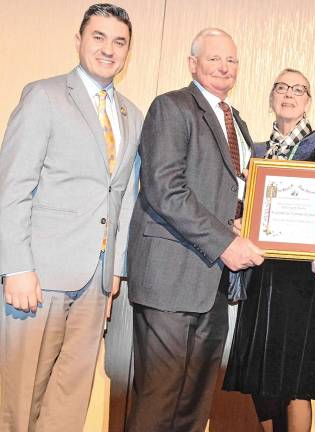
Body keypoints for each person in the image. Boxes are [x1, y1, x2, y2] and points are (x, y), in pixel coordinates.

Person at [0, 4, 141, 431]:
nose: (108, 49)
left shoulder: (130, 115)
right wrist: (17, 267)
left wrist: (115, 269)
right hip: (39, 277)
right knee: (19, 394)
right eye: (98, 37)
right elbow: (12, 187)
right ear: (78, 40)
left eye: (119, 42)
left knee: (71, 396)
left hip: (96, 282)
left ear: (127, 52)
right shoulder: (43, 95)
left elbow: (125, 198)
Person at [125, 28, 264, 432]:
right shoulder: (171, 107)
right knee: (159, 401)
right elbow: (165, 189)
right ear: (192, 64)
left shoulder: (236, 120)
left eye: (231, 61)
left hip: (212, 282)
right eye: (214, 59)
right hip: (171, 278)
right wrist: (226, 240)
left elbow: (230, 190)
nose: (224, 67)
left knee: (194, 403)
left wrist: (242, 222)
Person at [222, 68, 315, 432]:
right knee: (260, 374)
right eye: (281, 87)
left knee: (296, 378)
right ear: (271, 97)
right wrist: (237, 223)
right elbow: (245, 207)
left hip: (303, 277)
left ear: (308, 101)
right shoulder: (256, 152)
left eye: (298, 89)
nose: (289, 94)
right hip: (260, 272)